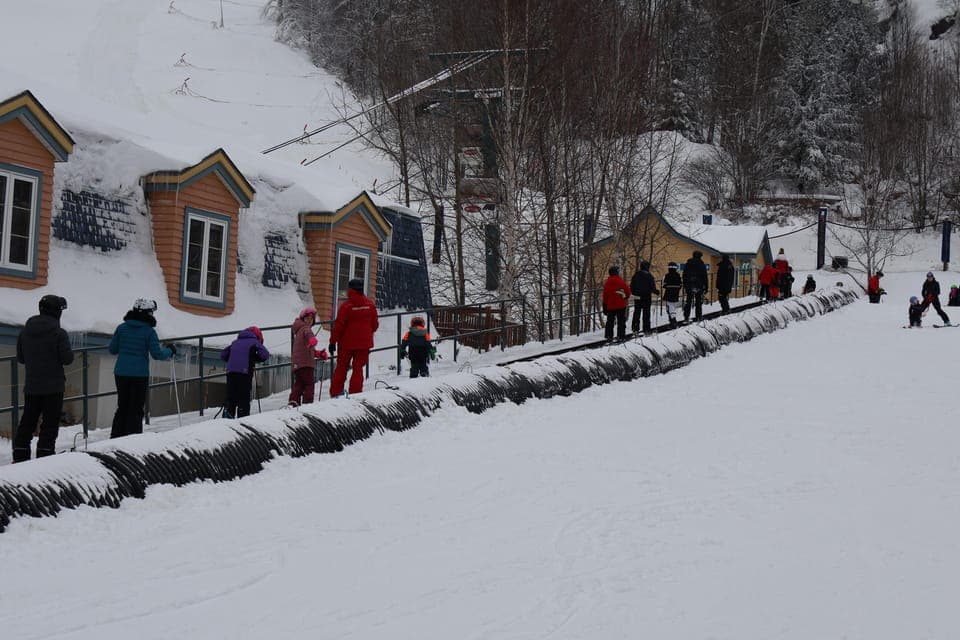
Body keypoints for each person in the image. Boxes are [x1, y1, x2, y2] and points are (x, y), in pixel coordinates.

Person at [12, 295, 74, 462]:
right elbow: (68, 359)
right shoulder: (59, 333)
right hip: (54, 387)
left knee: (27, 421)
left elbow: (21, 358)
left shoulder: (25, 331)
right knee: (50, 424)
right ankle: (44, 458)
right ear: (56, 312)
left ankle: (20, 455)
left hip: (32, 385)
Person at [108, 299, 174, 438]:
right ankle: (132, 438)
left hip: (121, 372)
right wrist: (170, 350)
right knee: (136, 409)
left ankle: (115, 436)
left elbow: (113, 349)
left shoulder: (121, 328)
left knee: (122, 406)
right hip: (139, 374)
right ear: (148, 313)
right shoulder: (149, 332)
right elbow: (157, 354)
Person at [329, 278, 380, 397]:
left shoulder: (346, 306)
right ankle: (355, 394)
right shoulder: (370, 305)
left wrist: (333, 342)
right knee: (358, 369)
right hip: (364, 343)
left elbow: (338, 326)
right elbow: (375, 325)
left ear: (350, 290)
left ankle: (336, 393)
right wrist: (366, 333)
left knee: (341, 367)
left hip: (346, 343)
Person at [220, 326, 271, 418]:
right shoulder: (254, 342)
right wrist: (255, 358)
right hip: (244, 373)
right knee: (243, 398)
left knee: (231, 397)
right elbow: (265, 354)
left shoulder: (235, 342)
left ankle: (226, 421)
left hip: (230, 372)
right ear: (257, 336)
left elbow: (223, 355)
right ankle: (242, 421)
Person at [288, 307, 325, 407]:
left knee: (299, 385)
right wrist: (312, 339)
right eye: (307, 318)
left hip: (298, 364)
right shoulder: (306, 329)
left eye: (311, 319)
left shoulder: (299, 330)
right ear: (303, 319)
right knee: (309, 384)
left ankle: (293, 403)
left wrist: (319, 354)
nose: (309, 320)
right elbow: (309, 336)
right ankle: (307, 405)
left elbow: (308, 349)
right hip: (305, 364)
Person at [601, 265, 631, 342]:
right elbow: (627, 292)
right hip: (621, 305)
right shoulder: (621, 281)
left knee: (610, 322)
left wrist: (604, 305)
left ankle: (609, 336)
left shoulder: (607, 283)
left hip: (611, 306)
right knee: (621, 321)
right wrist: (625, 298)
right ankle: (621, 336)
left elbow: (605, 296)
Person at [629, 260, 659, 334]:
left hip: (637, 296)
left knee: (637, 312)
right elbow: (652, 287)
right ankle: (646, 329)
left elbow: (632, 286)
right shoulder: (649, 276)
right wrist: (656, 291)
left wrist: (634, 293)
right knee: (646, 313)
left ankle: (635, 328)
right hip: (646, 296)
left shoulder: (636, 275)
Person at [682, 250, 708, 323]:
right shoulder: (702, 264)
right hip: (699, 286)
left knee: (688, 301)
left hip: (689, 285)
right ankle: (698, 317)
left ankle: (686, 317)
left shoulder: (688, 263)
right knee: (698, 302)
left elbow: (684, 275)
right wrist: (706, 286)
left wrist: (685, 285)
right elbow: (704, 276)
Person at [662, 262, 683, 329]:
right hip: (676, 293)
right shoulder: (678, 275)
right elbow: (680, 285)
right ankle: (672, 320)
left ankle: (673, 320)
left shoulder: (667, 275)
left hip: (668, 293)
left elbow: (664, 285)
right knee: (673, 306)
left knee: (670, 307)